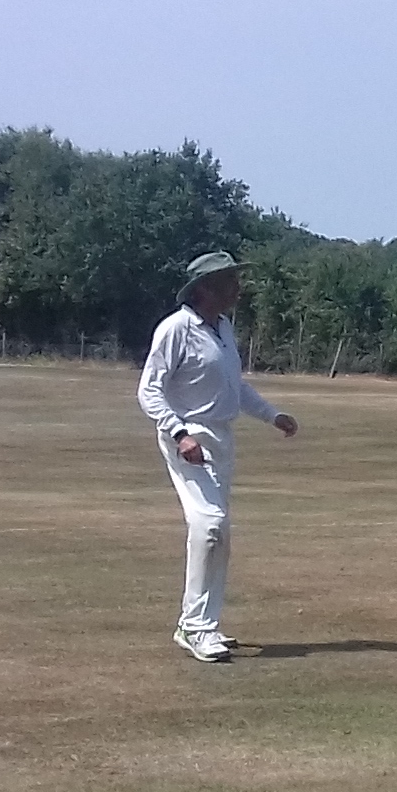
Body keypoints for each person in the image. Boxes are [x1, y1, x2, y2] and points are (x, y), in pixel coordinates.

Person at [135, 251, 297, 663]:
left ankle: (202, 622)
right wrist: (179, 433)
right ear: (205, 287)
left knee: (219, 534)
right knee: (209, 524)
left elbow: (235, 388)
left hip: (221, 440)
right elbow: (149, 390)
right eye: (229, 280)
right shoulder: (175, 329)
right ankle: (195, 627)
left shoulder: (223, 329)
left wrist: (272, 415)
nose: (237, 287)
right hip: (187, 438)